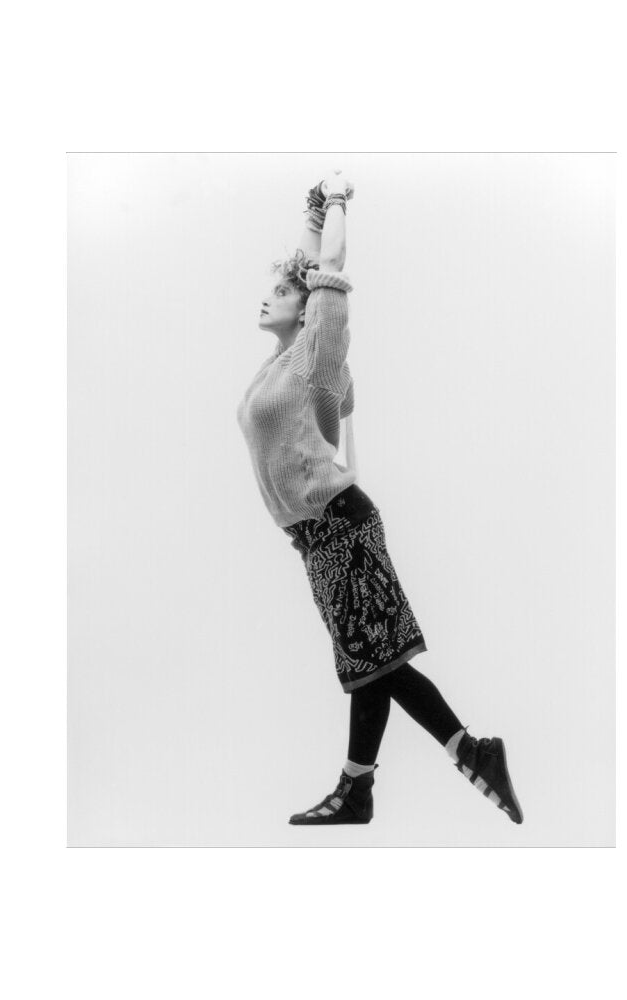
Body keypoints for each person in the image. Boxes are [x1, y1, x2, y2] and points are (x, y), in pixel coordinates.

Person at [236, 169, 523, 827]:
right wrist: (312, 216)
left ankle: (456, 756)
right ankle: (367, 785)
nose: (268, 297)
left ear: (308, 309)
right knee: (369, 663)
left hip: (340, 525)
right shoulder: (279, 365)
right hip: (317, 537)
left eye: (282, 292)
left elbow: (326, 270)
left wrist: (337, 198)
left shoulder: (316, 352)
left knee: (376, 662)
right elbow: (307, 264)